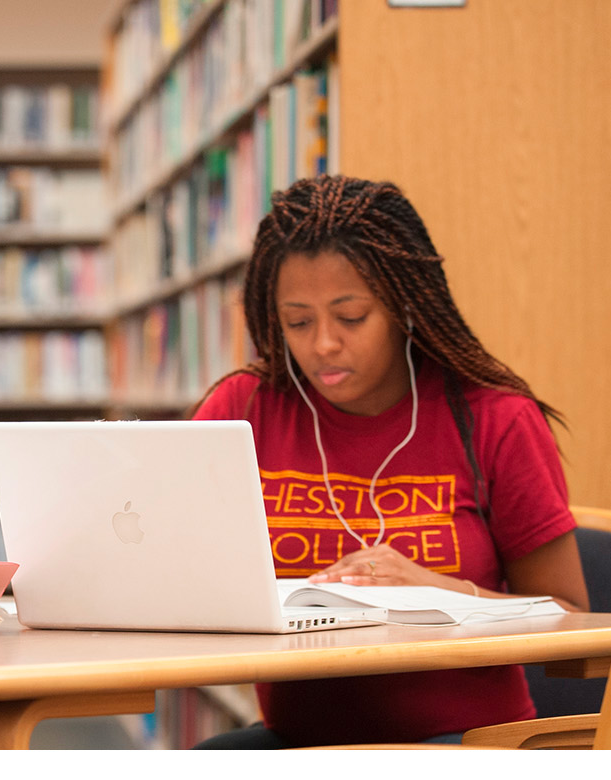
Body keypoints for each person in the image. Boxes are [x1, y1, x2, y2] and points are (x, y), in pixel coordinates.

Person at [190, 175, 589, 748]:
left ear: (404, 305)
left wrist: (437, 591)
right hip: (301, 739)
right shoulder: (245, 408)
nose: (323, 344)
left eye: (350, 316)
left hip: (467, 739)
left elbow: (571, 614)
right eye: (298, 321)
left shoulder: (494, 417)